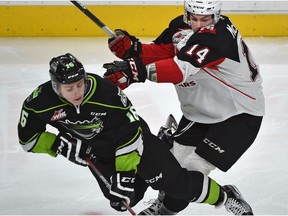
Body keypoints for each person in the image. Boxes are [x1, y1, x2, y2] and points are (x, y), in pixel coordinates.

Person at [17, 53, 254, 215]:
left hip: (135, 144)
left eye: (80, 84)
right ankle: (164, 145)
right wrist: (58, 145)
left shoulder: (105, 93)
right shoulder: (39, 103)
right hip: (99, 155)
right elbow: (28, 140)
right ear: (56, 87)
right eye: (69, 88)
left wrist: (125, 172)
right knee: (123, 201)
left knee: (177, 186)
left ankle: (225, 196)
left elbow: (129, 133)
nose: (78, 91)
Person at [103, 0, 265, 214]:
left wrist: (134, 71)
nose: (197, 24)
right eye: (193, 17)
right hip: (198, 112)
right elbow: (163, 52)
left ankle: (174, 209)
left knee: (188, 176)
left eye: (204, 19)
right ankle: (168, 148)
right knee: (167, 170)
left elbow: (178, 69)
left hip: (238, 114)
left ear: (216, 16)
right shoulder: (180, 25)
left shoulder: (218, 36)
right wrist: (134, 50)